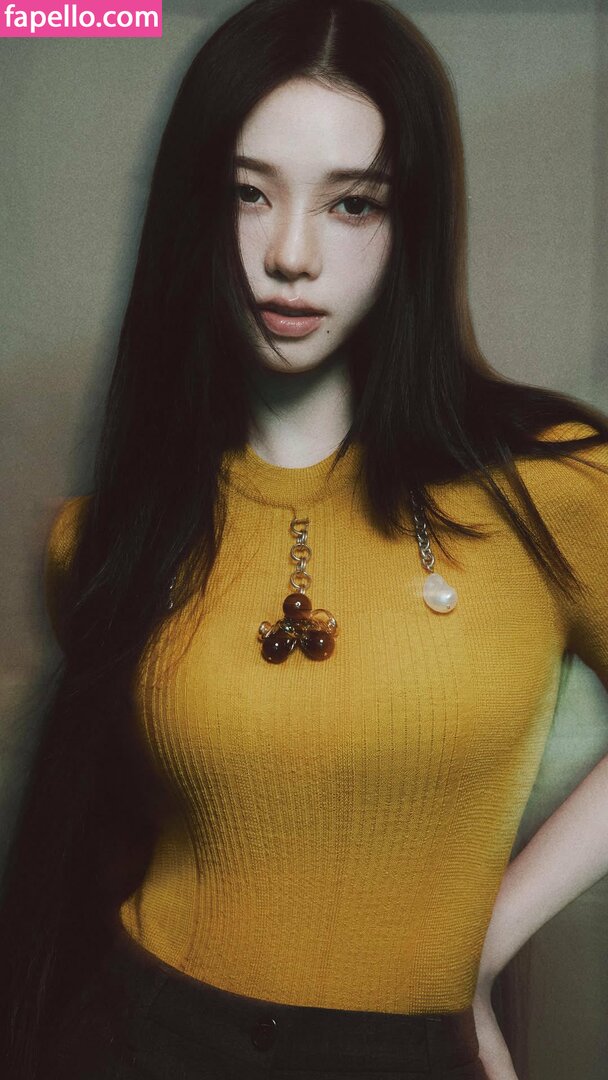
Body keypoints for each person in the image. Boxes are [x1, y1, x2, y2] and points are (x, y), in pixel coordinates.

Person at [2, 0, 608, 1077]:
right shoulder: (107, 543)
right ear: (196, 208)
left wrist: (486, 943)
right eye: (248, 192)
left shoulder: (554, 483)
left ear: (412, 221)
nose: (289, 255)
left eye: (351, 203)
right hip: (142, 1037)